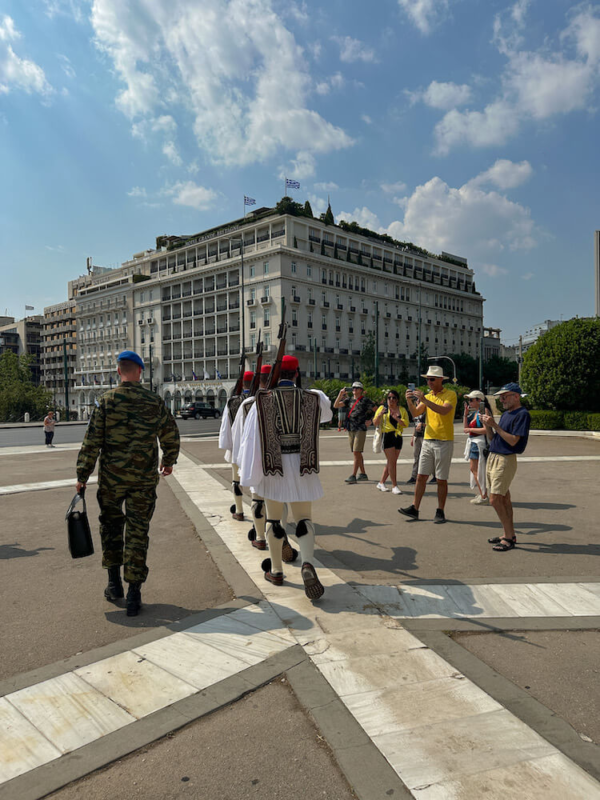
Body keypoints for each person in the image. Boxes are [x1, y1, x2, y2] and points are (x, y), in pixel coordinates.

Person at [75, 351, 180, 616]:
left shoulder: (105, 402)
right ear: (140, 372)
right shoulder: (154, 401)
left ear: (119, 371)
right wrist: (169, 460)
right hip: (143, 481)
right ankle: (134, 592)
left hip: (112, 480)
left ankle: (113, 585)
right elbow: (170, 433)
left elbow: (92, 442)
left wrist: (82, 476)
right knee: (137, 532)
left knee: (111, 528)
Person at [239, 355, 332, 599]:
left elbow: (250, 439)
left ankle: (277, 570)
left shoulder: (261, 401)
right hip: (304, 466)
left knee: (274, 520)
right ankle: (308, 562)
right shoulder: (314, 397)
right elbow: (328, 415)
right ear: (297, 373)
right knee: (304, 518)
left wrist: (249, 473)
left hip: (274, 468)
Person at [399, 365, 457, 524]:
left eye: (432, 379)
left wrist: (424, 399)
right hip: (428, 440)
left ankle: (440, 510)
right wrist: (409, 401)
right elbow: (416, 413)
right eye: (427, 379)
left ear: (440, 380)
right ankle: (414, 508)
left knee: (441, 479)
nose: (429, 382)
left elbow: (444, 411)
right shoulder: (428, 396)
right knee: (421, 476)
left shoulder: (450, 394)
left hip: (444, 441)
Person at [481, 383, 531, 552]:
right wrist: (488, 425)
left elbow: (513, 440)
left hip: (505, 459)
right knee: (503, 498)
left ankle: (509, 537)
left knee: (495, 499)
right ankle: (509, 534)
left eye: (505, 396)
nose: (501, 399)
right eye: (500, 396)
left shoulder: (522, 414)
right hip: (495, 455)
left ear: (516, 396)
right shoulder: (506, 414)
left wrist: (495, 425)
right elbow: (493, 437)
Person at [219, 370, 254, 521]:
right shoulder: (259, 400)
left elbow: (225, 427)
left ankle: (239, 510)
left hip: (236, 448)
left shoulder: (232, 402)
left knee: (236, 481)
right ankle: (259, 515)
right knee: (255, 483)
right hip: (253, 450)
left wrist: (228, 447)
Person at [333, 381, 375, 484]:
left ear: (361, 390)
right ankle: (363, 474)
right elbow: (336, 405)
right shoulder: (349, 400)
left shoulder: (365, 400)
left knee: (356, 452)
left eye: (356, 388)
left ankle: (353, 475)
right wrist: (340, 394)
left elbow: (378, 410)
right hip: (351, 428)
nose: (354, 389)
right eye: (353, 388)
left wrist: (371, 421)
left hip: (360, 428)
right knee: (357, 452)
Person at [373, 390, 409, 494]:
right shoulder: (382, 408)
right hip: (387, 435)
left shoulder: (402, 410)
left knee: (391, 462)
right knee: (392, 462)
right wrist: (380, 415)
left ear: (397, 400)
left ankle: (381, 482)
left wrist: (397, 419)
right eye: (389, 398)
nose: (391, 400)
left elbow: (406, 424)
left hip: (398, 436)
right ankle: (394, 485)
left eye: (393, 398)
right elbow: (375, 422)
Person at [463, 391, 493, 505]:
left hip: (479, 443)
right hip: (474, 443)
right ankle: (483, 494)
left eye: (471, 400)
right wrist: (465, 415)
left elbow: (486, 430)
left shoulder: (482, 411)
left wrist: (470, 430)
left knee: (477, 470)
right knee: (475, 470)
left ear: (479, 400)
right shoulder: (476, 412)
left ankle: (484, 496)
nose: (469, 402)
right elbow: (465, 428)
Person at [407, 411, 437, 485]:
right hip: (417, 436)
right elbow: (415, 425)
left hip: (426, 436)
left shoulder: (427, 411)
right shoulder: (416, 412)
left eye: (419, 400)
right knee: (416, 457)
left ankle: (435, 476)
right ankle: (414, 476)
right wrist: (413, 436)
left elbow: (432, 424)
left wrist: (423, 424)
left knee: (428, 457)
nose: (417, 401)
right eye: (416, 400)